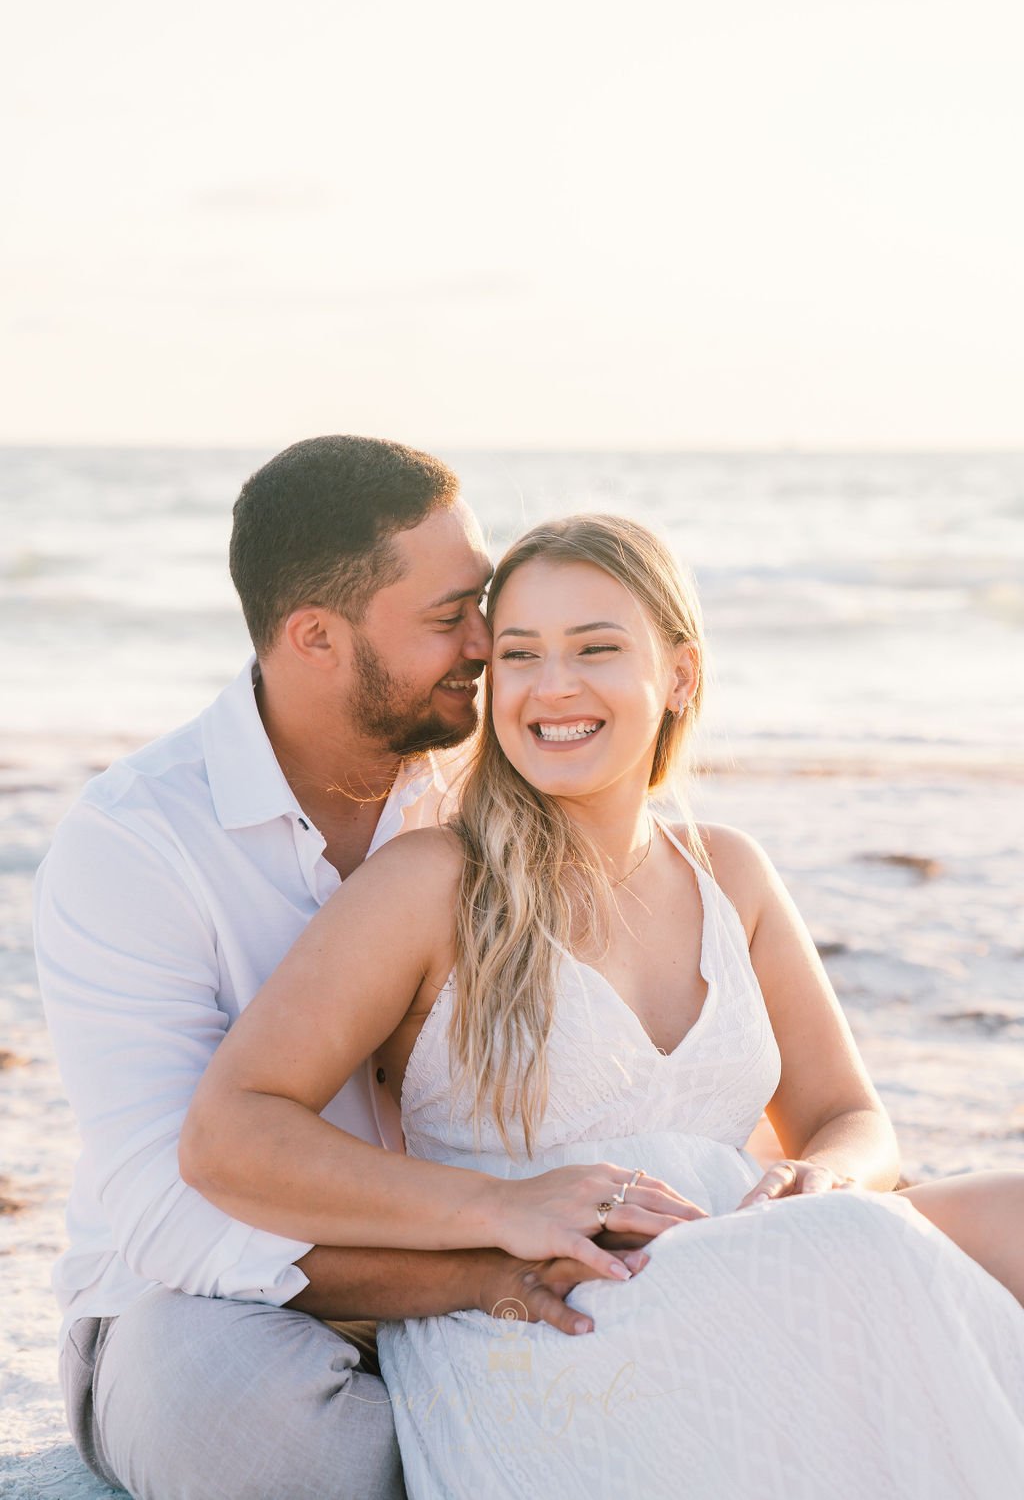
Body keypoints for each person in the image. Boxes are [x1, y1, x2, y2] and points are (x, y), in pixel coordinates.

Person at [183, 513, 1024, 1499]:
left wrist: (826, 1177)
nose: (553, 685)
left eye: (595, 648)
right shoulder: (432, 881)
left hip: (750, 1248)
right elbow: (229, 1132)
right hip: (556, 1320)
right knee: (863, 1248)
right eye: (518, 654)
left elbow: (851, 1115)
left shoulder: (730, 872)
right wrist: (498, 1209)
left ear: (679, 674)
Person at [34, 437, 649, 1500]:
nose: (485, 640)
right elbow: (166, 1207)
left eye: (483, 600)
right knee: (256, 1433)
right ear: (315, 636)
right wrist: (480, 1267)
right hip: (212, 1303)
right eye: (448, 615)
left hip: (505, 1257)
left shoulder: (491, 791)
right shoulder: (136, 839)